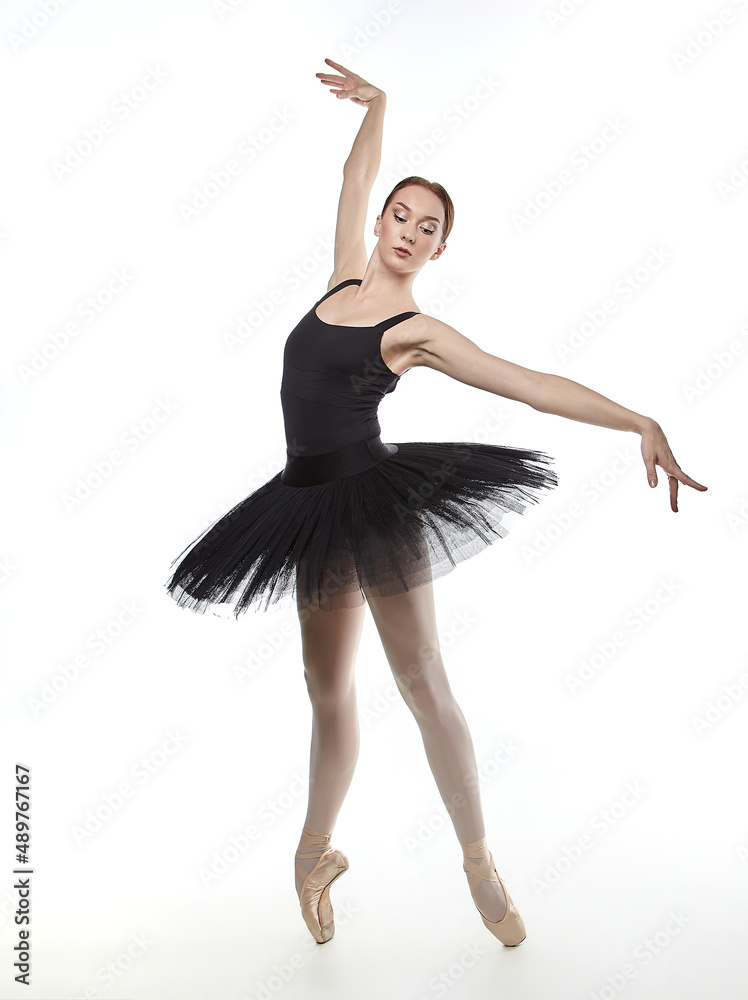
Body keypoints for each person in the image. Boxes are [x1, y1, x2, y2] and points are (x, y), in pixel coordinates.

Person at [164, 58, 707, 947]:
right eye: (401, 216)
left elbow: (528, 383)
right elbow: (353, 173)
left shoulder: (413, 332)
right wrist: (378, 105)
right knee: (325, 687)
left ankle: (478, 858)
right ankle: (313, 852)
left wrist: (635, 418)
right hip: (303, 506)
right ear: (381, 225)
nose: (409, 232)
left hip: (373, 505)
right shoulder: (340, 279)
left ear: (441, 249)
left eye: (429, 228)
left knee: (421, 680)